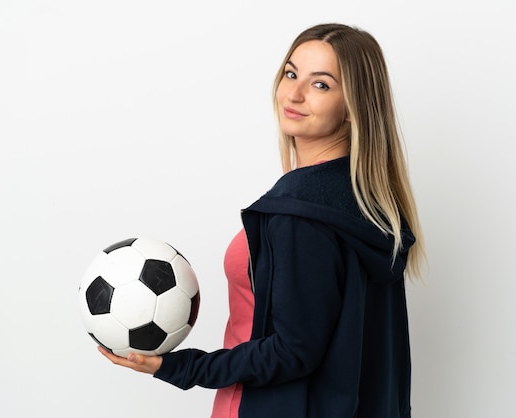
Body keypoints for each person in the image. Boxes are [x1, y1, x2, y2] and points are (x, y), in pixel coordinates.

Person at [99, 22, 426, 418]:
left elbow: (293, 351)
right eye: (291, 74)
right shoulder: (372, 204)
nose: (295, 93)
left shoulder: (300, 212)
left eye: (321, 84)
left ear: (354, 107)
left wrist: (181, 367)